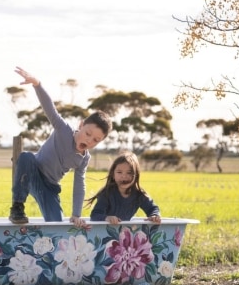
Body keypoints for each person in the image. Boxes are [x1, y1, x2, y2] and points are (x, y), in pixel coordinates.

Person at [9, 66, 112, 228]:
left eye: (96, 140)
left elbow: (79, 184)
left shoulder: (84, 159)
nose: (89, 140)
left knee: (57, 225)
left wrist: (76, 215)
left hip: (49, 188)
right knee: (26, 157)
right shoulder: (64, 130)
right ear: (82, 125)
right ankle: (17, 207)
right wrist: (37, 84)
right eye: (88, 133)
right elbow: (50, 109)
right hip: (34, 173)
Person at [86, 151, 161, 225]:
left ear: (136, 175)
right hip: (105, 231)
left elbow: (152, 208)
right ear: (113, 174)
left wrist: (154, 216)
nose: (124, 176)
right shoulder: (107, 193)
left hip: (125, 231)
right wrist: (107, 218)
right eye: (119, 172)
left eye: (129, 173)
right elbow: (95, 215)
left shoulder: (139, 195)